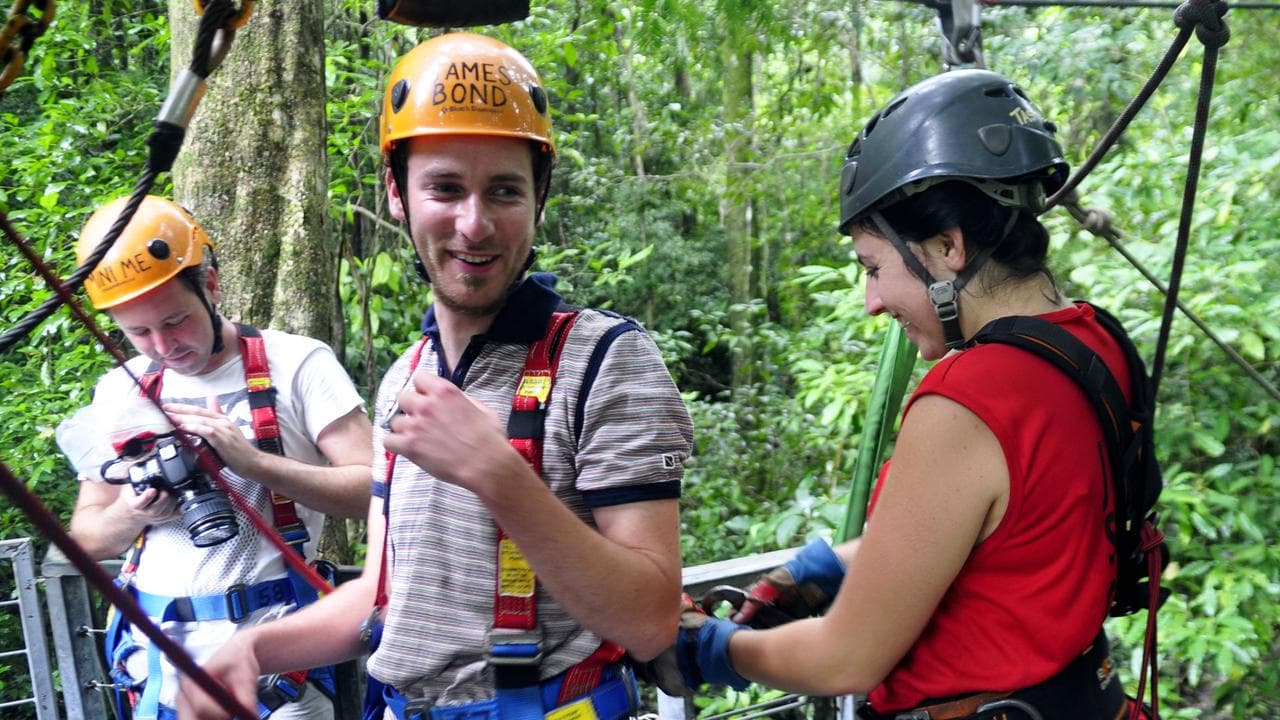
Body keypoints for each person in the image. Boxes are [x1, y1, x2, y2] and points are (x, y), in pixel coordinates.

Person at [177, 32, 693, 720]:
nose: (474, 224)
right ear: (397, 194)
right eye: (444, 188)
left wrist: (500, 475)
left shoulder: (603, 359)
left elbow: (651, 619)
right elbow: (386, 592)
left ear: (538, 199)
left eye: (504, 191)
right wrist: (252, 650)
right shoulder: (406, 380)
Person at [651, 70, 1152, 720]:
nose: (872, 302)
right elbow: (1013, 535)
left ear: (949, 248)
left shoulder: (967, 401)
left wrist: (719, 651)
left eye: (874, 268)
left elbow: (845, 659)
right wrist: (828, 565)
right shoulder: (1093, 341)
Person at [65, 194, 373, 720]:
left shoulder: (297, 363)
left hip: (279, 664)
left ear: (211, 284)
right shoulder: (119, 391)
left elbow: (375, 489)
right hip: (159, 667)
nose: (163, 346)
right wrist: (133, 512)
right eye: (138, 332)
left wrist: (253, 462)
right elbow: (86, 536)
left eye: (175, 321)